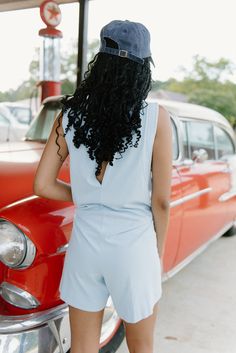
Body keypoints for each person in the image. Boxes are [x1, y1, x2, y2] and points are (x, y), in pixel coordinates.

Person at [33, 19, 172, 353]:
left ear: (101, 64)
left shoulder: (68, 116)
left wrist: (87, 197)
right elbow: (162, 201)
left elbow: (42, 184)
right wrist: (158, 255)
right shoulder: (156, 118)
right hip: (134, 245)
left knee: (82, 347)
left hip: (86, 244)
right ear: (142, 68)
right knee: (141, 347)